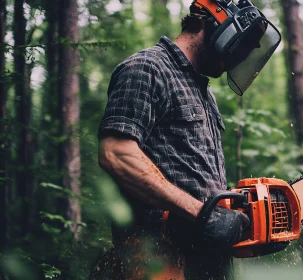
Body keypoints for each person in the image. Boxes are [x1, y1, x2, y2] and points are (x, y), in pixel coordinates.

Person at [92, 0, 280, 279]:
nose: (239, 56)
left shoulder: (204, 93)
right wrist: (204, 213)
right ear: (215, 26)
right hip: (157, 257)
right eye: (240, 45)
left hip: (204, 259)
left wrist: (232, 212)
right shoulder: (147, 68)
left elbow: (194, 176)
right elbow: (116, 153)